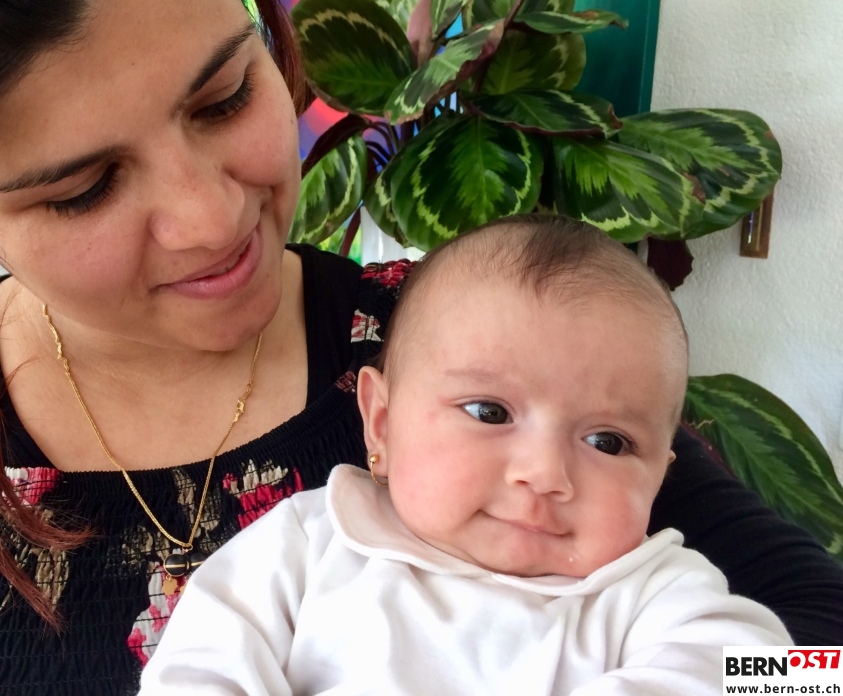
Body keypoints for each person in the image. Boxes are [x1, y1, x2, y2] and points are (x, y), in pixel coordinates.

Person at [0, 0, 839, 693]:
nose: (210, 217)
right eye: (84, 187)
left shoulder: (490, 357)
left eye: (224, 95)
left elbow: (815, 664)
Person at [139, 216, 792, 695]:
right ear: (382, 422)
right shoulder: (306, 549)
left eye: (608, 442)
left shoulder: (648, 589)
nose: (543, 474)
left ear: (659, 476)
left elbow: (790, 673)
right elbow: (197, 672)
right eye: (489, 412)